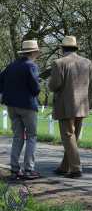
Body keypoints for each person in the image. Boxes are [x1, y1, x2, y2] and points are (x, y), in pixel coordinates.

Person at [48, 36, 92, 179]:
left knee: (68, 136)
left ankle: (76, 168)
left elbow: (55, 85)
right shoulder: (87, 62)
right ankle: (64, 166)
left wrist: (47, 84)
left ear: (62, 49)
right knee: (73, 137)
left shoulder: (58, 63)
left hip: (66, 105)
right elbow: (91, 86)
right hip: (82, 105)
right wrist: (88, 103)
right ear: (76, 48)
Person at [0, 40, 41, 180]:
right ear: (34, 52)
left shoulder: (11, 66)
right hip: (27, 106)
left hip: (11, 105)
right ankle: (28, 169)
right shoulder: (31, 66)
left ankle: (14, 169)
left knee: (18, 136)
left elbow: (0, 84)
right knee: (31, 136)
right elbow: (36, 88)